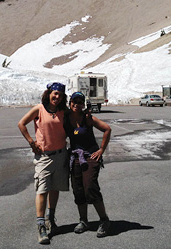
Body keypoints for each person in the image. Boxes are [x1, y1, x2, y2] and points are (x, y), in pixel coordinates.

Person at [18, 82, 69, 245]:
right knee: (42, 190)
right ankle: (41, 225)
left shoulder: (63, 111)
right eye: (55, 93)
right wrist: (32, 143)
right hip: (44, 157)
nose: (57, 97)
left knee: (55, 188)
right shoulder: (39, 109)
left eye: (60, 95)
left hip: (61, 155)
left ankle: (50, 220)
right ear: (49, 94)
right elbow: (21, 124)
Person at [64, 92, 112, 238]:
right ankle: (84, 221)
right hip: (75, 157)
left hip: (90, 156)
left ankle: (104, 220)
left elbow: (107, 129)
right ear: (70, 102)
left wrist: (101, 150)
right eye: (74, 101)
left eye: (80, 102)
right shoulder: (66, 119)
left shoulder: (87, 118)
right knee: (78, 189)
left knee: (90, 187)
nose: (76, 104)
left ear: (83, 104)